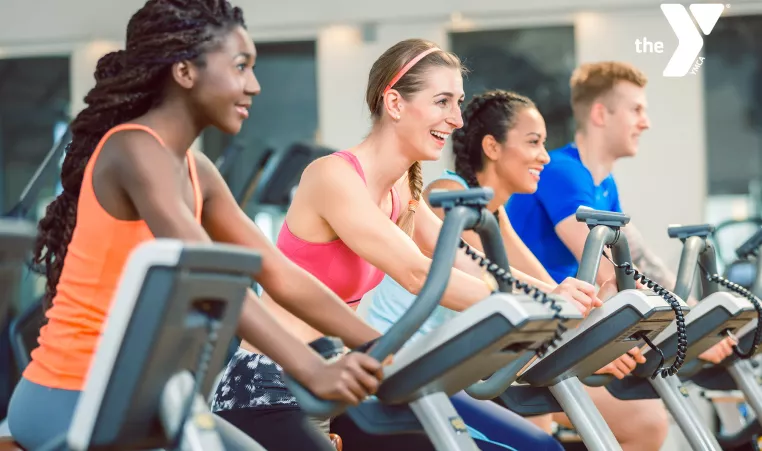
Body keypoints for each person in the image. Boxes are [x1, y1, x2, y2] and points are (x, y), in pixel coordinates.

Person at [6, 1, 387, 450]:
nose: (255, 86)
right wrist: (311, 369)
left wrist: (379, 346)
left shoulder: (196, 169)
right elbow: (213, 282)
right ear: (185, 72)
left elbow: (281, 275)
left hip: (142, 396)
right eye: (241, 67)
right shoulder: (133, 150)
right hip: (69, 392)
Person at [212, 39, 600, 451]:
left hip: (341, 384)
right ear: (394, 103)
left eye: (458, 103)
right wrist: (529, 305)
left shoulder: (401, 190)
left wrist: (551, 294)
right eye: (442, 102)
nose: (456, 119)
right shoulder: (332, 176)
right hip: (269, 390)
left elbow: (468, 264)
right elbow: (418, 273)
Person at [361, 89, 644, 436]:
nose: (544, 157)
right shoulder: (449, 196)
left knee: (547, 427)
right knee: (546, 441)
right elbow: (495, 287)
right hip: (414, 367)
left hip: (458, 366)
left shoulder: (496, 214)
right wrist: (581, 336)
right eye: (533, 143)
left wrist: (591, 326)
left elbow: (548, 290)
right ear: (492, 147)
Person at [505, 61, 735, 450]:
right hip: (530, 342)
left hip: (566, 334)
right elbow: (605, 269)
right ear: (600, 113)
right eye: (636, 110)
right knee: (646, 422)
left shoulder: (603, 183)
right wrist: (688, 328)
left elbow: (641, 262)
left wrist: (699, 319)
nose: (645, 122)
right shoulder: (562, 171)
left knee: (647, 422)